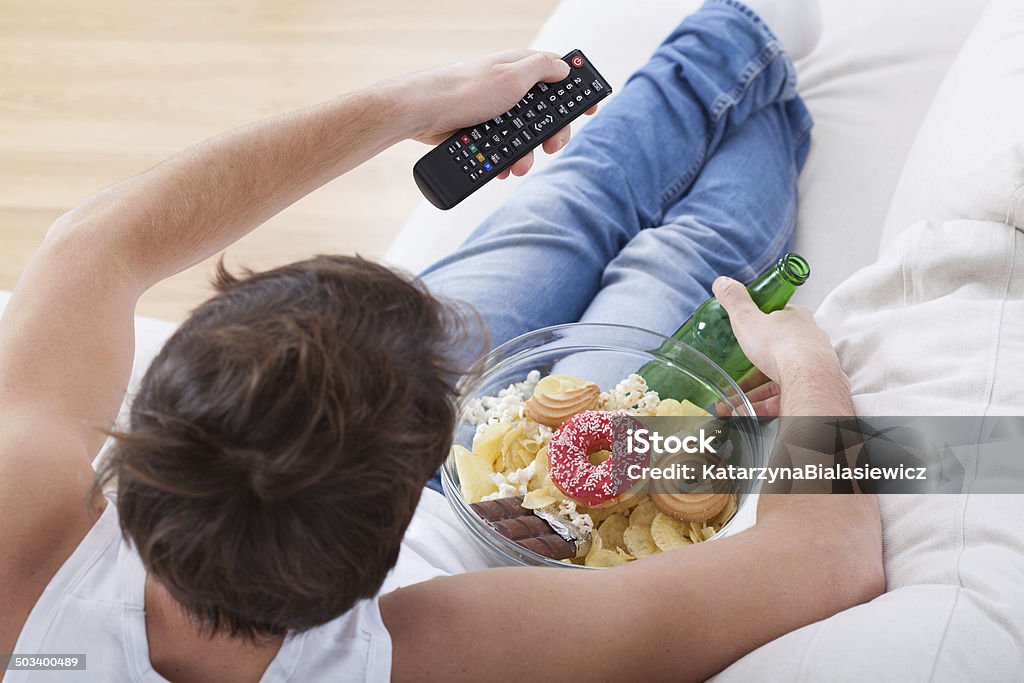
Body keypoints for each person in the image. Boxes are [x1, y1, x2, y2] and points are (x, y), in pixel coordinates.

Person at [0, 1, 882, 681]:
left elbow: (95, 242)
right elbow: (827, 558)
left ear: (138, 436)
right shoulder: (442, 645)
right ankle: (762, 62)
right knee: (682, 258)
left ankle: (739, 43)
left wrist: (418, 103)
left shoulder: (22, 534)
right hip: (524, 505)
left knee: (573, 202)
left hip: (352, 471)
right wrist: (803, 359)